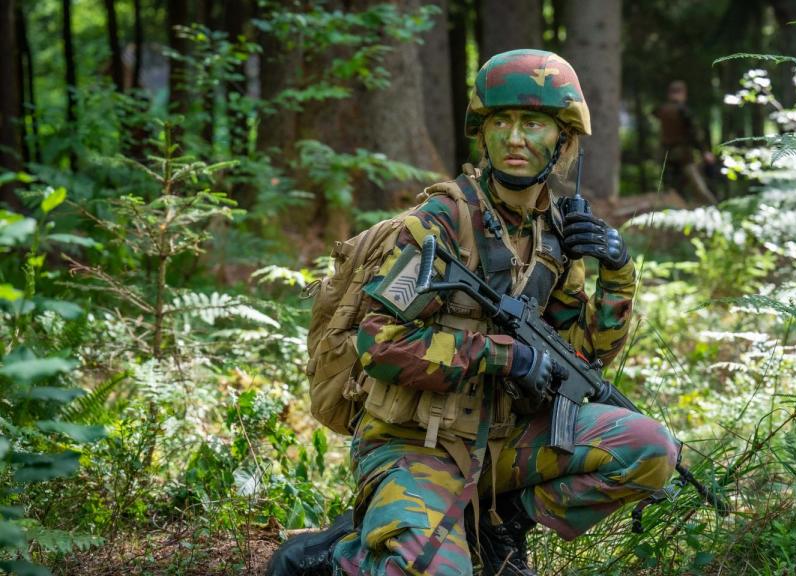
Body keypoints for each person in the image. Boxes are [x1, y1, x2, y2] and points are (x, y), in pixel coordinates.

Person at [272, 49, 680, 576]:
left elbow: (581, 358)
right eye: (500, 123)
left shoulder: (553, 236)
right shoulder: (432, 228)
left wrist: (618, 271)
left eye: (533, 123)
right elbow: (380, 345)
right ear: (481, 134)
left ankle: (498, 526)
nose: (514, 139)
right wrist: (501, 355)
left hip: (504, 441)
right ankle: (337, 558)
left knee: (649, 448)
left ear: (562, 139)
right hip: (416, 444)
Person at [655, 80, 718, 205]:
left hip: (666, 154)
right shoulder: (683, 111)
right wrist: (704, 152)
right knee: (697, 186)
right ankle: (714, 210)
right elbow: (695, 133)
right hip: (683, 155)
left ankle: (678, 211)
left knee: (672, 188)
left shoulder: (662, 110)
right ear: (682, 93)